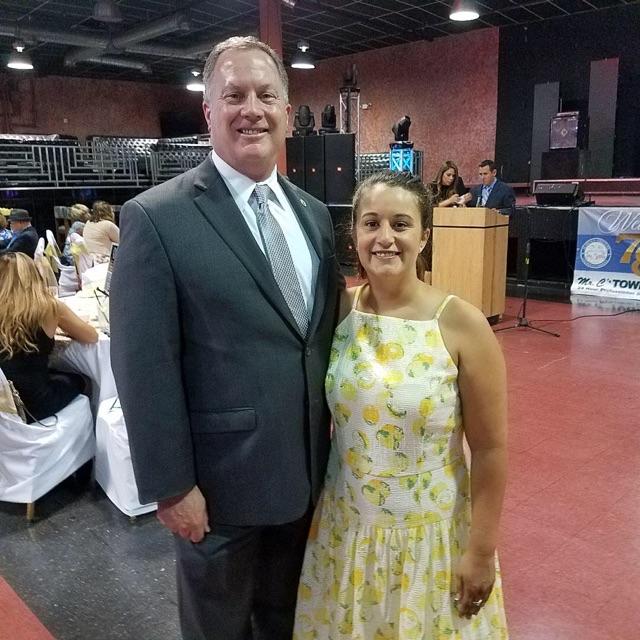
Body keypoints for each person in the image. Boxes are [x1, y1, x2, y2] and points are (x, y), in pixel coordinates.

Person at [109, 35, 342, 640]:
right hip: (218, 492)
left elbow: (314, 340)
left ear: (287, 111)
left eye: (266, 95)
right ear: (208, 112)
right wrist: (171, 486)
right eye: (234, 96)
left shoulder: (314, 215)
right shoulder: (157, 217)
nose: (251, 110)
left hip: (305, 477)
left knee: (287, 625)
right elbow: (142, 365)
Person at [294, 171, 509, 639]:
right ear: (354, 234)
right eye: (371, 223)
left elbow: (491, 449)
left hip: (430, 538)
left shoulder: (461, 323)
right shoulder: (337, 312)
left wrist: (480, 550)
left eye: (401, 224)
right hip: (347, 533)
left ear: (424, 235)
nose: (385, 238)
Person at [0, 253, 98, 423]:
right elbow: (91, 337)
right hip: (37, 404)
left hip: (6, 405)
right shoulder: (48, 307)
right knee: (83, 379)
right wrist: (65, 329)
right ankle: (92, 432)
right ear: (33, 275)